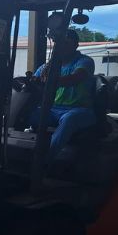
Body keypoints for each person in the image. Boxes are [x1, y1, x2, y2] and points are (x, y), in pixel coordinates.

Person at [29, 29, 96, 162]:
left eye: (66, 43)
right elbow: (35, 81)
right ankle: (19, 153)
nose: (61, 46)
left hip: (80, 110)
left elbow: (76, 77)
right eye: (59, 43)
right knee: (26, 113)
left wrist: (50, 81)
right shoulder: (48, 66)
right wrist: (30, 82)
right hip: (53, 109)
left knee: (69, 119)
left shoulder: (84, 62)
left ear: (75, 45)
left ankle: (44, 160)